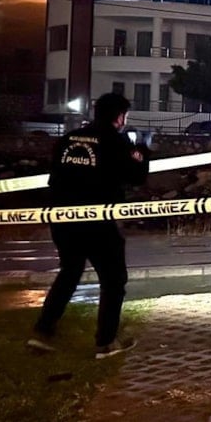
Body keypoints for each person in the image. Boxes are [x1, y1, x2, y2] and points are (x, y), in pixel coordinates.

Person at [28, 93, 149, 359]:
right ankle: (105, 343)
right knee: (114, 281)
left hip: (63, 219)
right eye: (125, 117)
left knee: (69, 273)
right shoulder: (115, 142)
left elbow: (55, 178)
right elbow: (137, 177)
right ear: (120, 117)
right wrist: (142, 150)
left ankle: (42, 332)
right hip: (97, 221)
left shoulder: (68, 139)